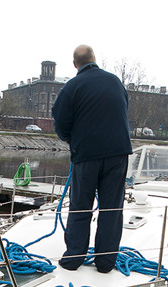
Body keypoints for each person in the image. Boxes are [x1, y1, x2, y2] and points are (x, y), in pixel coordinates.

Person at [51, 45, 133, 273]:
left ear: (75, 64)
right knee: (111, 209)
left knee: (80, 207)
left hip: (86, 156)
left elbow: (60, 123)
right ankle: (105, 263)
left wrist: (72, 140)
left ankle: (73, 259)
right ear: (94, 59)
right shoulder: (115, 82)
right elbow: (121, 110)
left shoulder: (72, 87)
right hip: (117, 154)